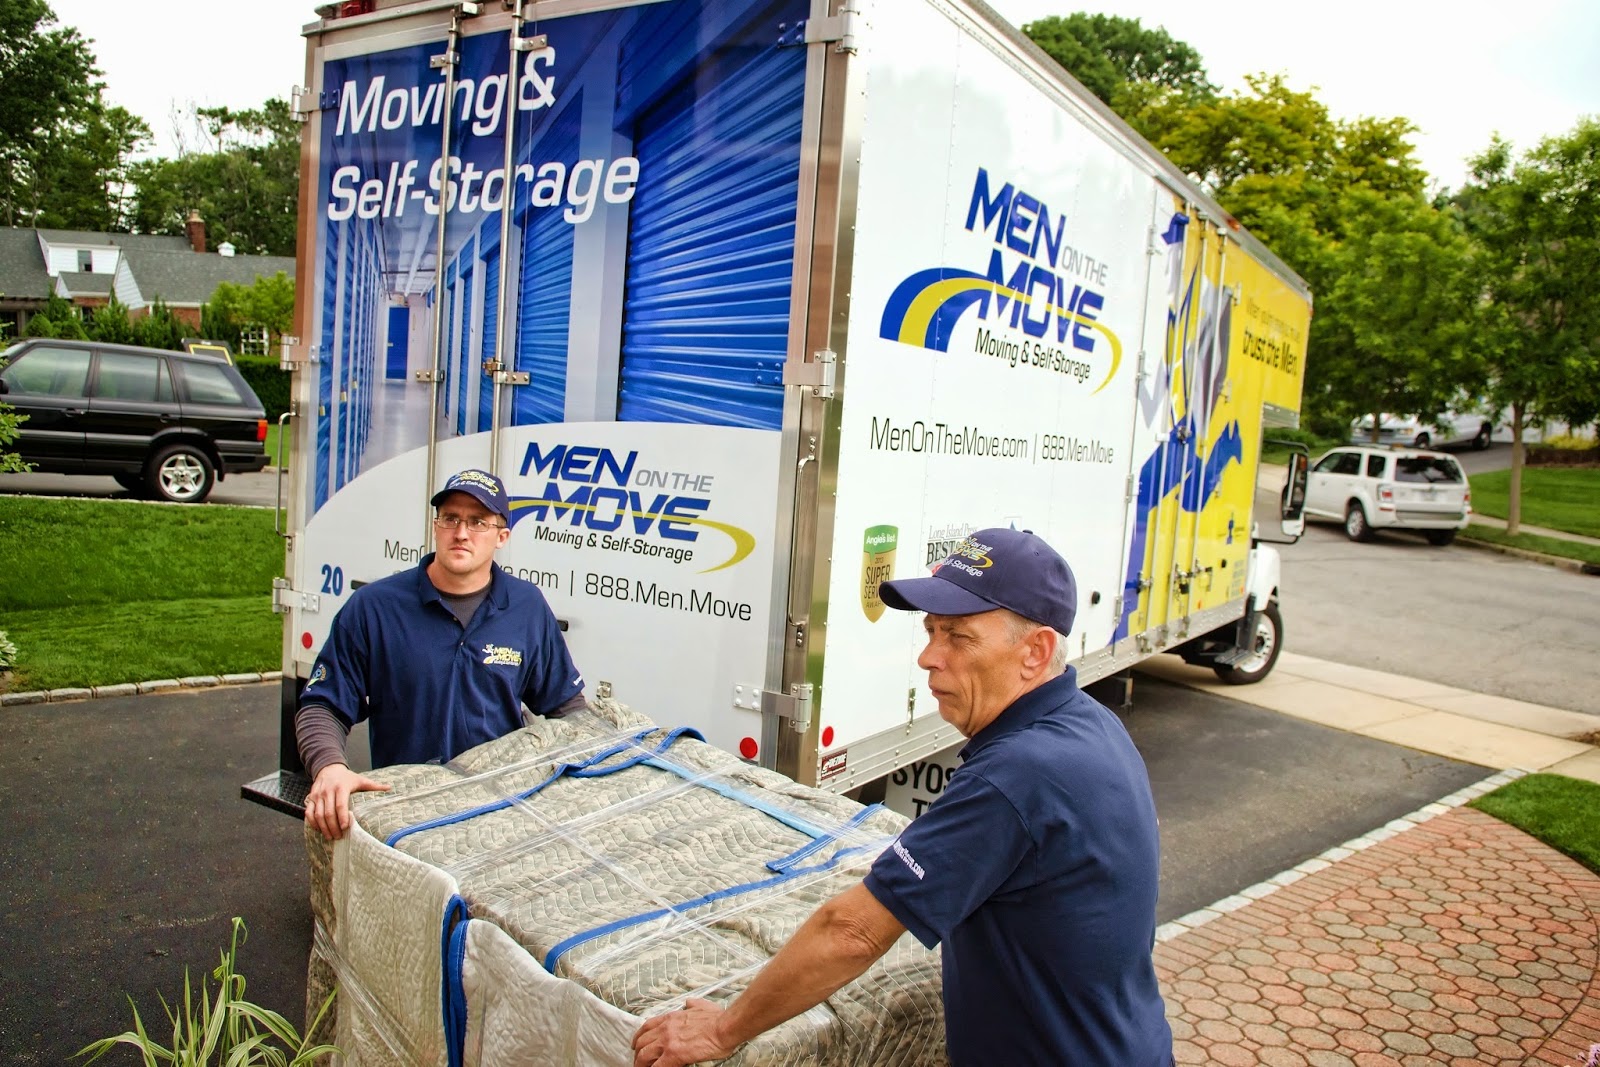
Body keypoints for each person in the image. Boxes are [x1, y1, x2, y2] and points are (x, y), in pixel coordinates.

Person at [632, 527, 1172, 1067]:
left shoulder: (1017, 773)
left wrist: (722, 1031)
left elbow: (852, 931)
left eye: (958, 637)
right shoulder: (1089, 722)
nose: (929, 657)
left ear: (1035, 651)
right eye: (931, 631)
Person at [297, 468, 586, 840]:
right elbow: (322, 705)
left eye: (478, 521)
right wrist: (329, 768)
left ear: (502, 536)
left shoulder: (526, 607)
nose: (461, 533)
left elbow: (567, 707)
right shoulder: (374, 608)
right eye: (451, 518)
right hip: (406, 816)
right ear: (436, 526)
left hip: (499, 814)